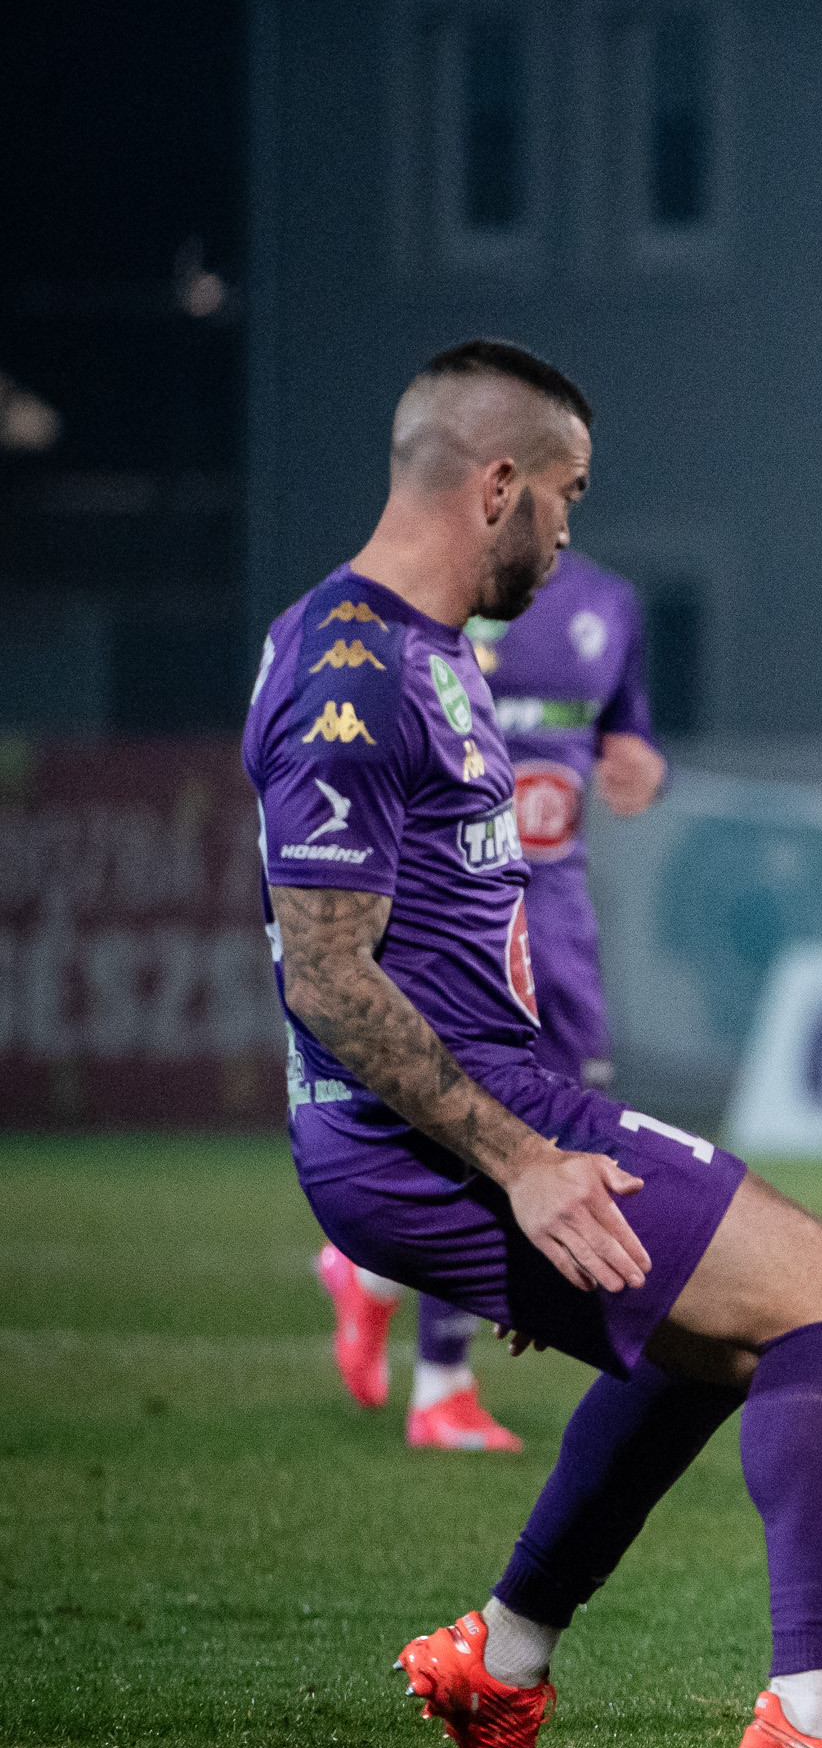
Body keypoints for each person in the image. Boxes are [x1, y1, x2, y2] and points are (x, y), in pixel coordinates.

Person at [252, 339, 822, 1748]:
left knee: (710, 1342)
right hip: (434, 1137)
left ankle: (501, 1659)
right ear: (497, 486)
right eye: (567, 495)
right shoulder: (348, 674)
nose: (570, 530)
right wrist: (518, 1162)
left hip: (494, 1102)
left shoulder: (426, 645)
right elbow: (325, 975)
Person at [312, 551, 665, 1453]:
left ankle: (370, 1279)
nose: (562, 506)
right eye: (558, 487)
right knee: (485, 1125)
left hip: (560, 918)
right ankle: (442, 1386)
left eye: (574, 489)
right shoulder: (425, 594)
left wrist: (642, 764)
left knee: (571, 1121)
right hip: (456, 912)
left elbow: (630, 734)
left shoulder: (608, 602)